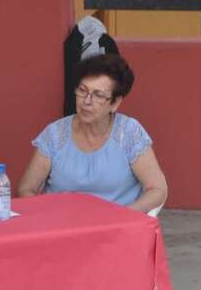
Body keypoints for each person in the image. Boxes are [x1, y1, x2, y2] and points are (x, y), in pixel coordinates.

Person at [18, 53, 167, 213]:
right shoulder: (55, 134)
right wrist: (46, 216)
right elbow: (27, 188)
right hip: (63, 223)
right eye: (83, 91)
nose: (87, 101)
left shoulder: (129, 133)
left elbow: (157, 190)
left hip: (117, 223)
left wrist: (123, 216)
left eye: (98, 95)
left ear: (115, 103)